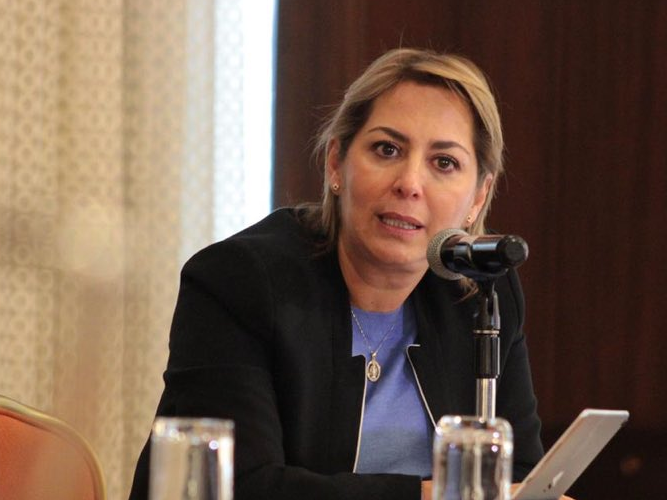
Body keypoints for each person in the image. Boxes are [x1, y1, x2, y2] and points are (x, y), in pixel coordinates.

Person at [129, 48, 545, 500]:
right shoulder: (238, 281)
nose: (409, 183)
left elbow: (520, 476)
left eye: (444, 162)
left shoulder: (481, 292)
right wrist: (438, 495)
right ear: (335, 163)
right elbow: (241, 486)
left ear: (478, 197)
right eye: (387, 149)